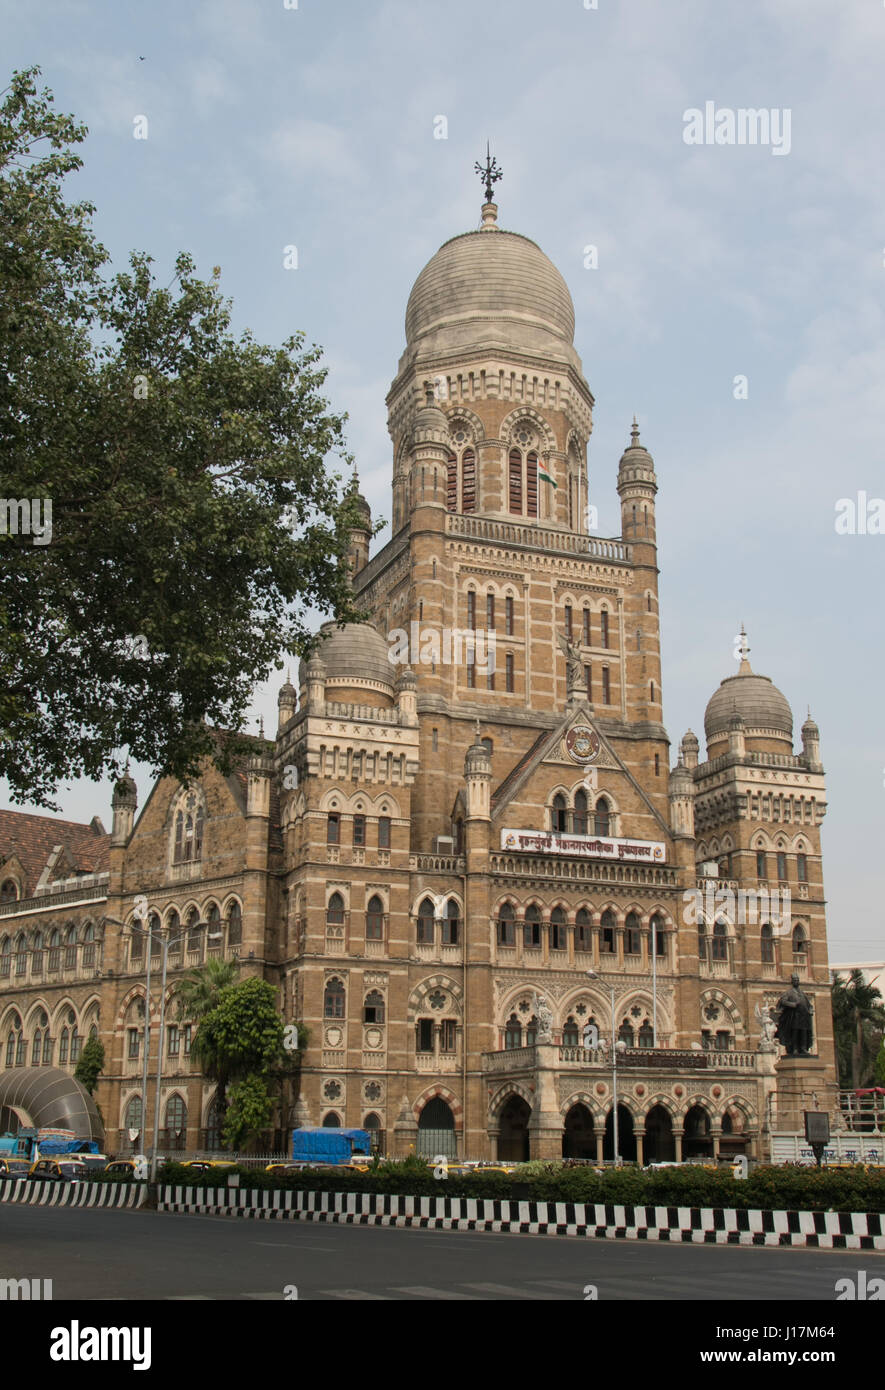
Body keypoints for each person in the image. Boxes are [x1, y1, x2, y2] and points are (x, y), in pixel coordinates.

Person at [773, 973, 814, 1055]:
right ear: (792, 982)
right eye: (795, 980)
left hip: (804, 1017)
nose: (796, 982)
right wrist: (793, 1004)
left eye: (797, 980)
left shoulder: (802, 993)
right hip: (794, 1016)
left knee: (804, 1032)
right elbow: (782, 1002)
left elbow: (809, 1005)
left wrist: (810, 1010)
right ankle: (794, 1048)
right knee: (795, 1032)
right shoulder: (789, 993)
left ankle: (803, 1048)